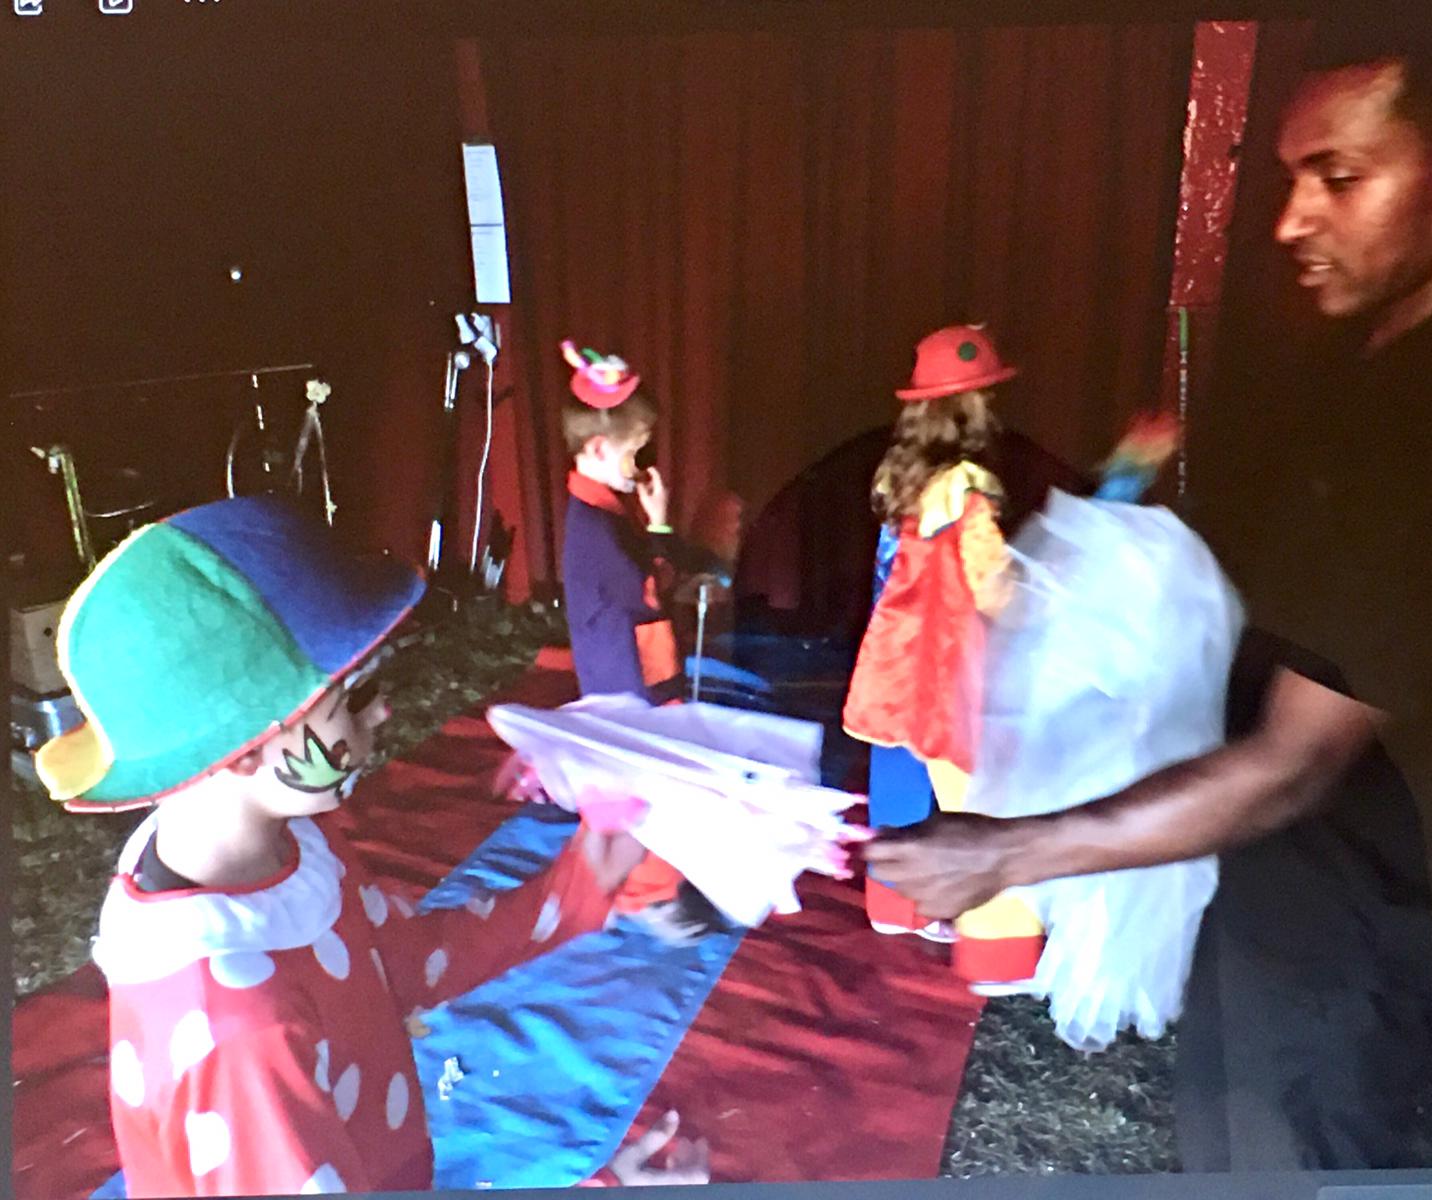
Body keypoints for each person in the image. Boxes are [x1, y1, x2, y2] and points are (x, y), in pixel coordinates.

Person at [864, 15, 1432, 1171]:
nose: (1291, 222)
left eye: (1339, 178)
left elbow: (1298, 759)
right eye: (1288, 180)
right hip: (1271, 890)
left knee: (1287, 1153)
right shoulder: (1360, 376)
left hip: (1357, 929)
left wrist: (1009, 852)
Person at [33, 495, 711, 1195]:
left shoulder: (292, 841)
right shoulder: (241, 1032)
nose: (384, 709)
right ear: (244, 746)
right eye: (355, 696)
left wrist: (584, 879)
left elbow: (399, 963)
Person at [841, 324, 1044, 990]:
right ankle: (1000, 954)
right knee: (983, 803)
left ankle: (894, 905)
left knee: (898, 775)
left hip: (901, 659)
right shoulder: (969, 486)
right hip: (949, 667)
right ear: (975, 408)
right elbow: (991, 583)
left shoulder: (903, 478)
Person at [556, 340, 733, 941]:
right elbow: (654, 587)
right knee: (643, 785)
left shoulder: (606, 509)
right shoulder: (597, 530)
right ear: (598, 449)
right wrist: (659, 528)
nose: (641, 463)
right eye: (635, 450)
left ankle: (630, 883)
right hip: (629, 678)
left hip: (641, 669)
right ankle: (644, 895)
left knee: (636, 785)